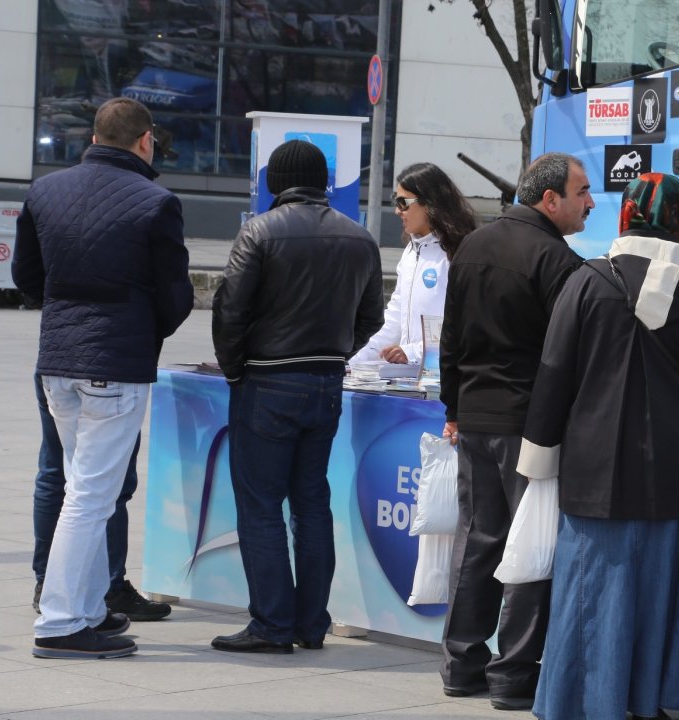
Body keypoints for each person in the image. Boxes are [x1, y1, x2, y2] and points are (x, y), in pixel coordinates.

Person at [516, 173, 679, 720]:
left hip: (596, 471)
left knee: (594, 595)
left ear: (625, 217)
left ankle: (589, 704)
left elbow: (554, 375)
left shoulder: (585, 283)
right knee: (665, 598)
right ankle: (648, 702)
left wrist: (539, 459)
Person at [12, 96, 194, 659]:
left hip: (58, 360)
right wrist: (142, 328)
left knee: (82, 488)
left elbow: (26, 276)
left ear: (94, 137)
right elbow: (175, 295)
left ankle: (87, 608)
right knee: (91, 496)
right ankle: (61, 622)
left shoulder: (45, 190)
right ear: (145, 141)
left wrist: (66, 312)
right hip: (115, 364)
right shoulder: (157, 202)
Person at [210, 139, 385, 654]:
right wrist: (337, 352)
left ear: (276, 183)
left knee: (261, 504)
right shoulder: (359, 237)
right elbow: (372, 317)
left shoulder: (259, 231)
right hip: (325, 382)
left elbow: (229, 311)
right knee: (311, 503)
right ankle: (311, 624)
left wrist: (235, 369)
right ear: (321, 182)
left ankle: (271, 624)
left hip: (267, 381)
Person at [438, 152, 593, 710]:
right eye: (581, 192)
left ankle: (461, 663)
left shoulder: (473, 246)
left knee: (479, 539)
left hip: (478, 417)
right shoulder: (558, 261)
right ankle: (513, 674)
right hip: (528, 427)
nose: (590, 203)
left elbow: (450, 338)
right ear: (550, 199)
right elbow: (568, 357)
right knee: (531, 545)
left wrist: (453, 405)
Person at [31, 374, 171, 622]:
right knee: (99, 489)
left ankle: (53, 585)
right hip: (108, 372)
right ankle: (93, 595)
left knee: (61, 477)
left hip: (56, 366)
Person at [349, 162, 477, 368]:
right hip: (410, 376)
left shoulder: (459, 252)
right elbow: (394, 319)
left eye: (403, 203)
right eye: (395, 201)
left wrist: (412, 352)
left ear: (430, 202)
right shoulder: (411, 251)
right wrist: (353, 359)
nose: (397, 211)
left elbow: (464, 325)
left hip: (446, 375)